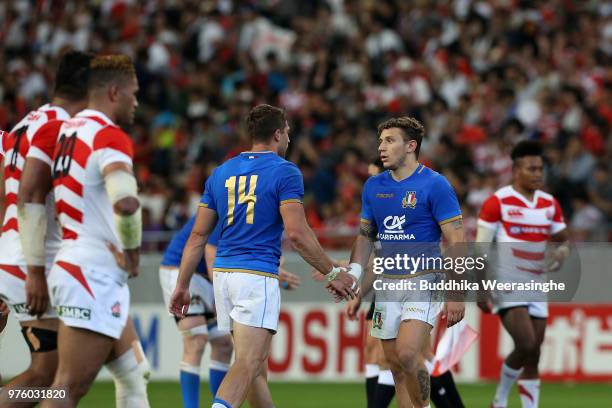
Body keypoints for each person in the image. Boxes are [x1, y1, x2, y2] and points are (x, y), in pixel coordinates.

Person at [169, 104, 358, 408]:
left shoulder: (221, 173)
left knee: (255, 370)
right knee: (247, 363)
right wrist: (334, 273)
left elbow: (197, 236)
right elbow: (297, 234)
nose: (289, 140)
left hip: (224, 278)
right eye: (288, 133)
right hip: (255, 278)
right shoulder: (285, 172)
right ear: (277, 134)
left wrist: (182, 285)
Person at [41, 54, 147, 408]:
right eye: (133, 93)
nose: (137, 102)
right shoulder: (108, 136)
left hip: (78, 263)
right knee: (66, 389)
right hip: (92, 271)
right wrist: (132, 254)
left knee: (133, 372)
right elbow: (126, 202)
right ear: (114, 92)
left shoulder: (69, 130)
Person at [346, 117, 465, 408]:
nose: (381, 147)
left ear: (411, 146)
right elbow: (365, 236)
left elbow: (458, 241)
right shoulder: (374, 186)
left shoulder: (435, 185)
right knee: (396, 367)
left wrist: (456, 293)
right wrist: (354, 275)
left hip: (425, 281)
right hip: (387, 285)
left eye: (390, 141)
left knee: (410, 354)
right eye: (381, 141)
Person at [477, 140, 569, 408]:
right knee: (526, 343)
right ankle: (500, 398)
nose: (538, 174)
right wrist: (482, 289)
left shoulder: (550, 204)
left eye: (540, 169)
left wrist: (560, 254)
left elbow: (563, 240)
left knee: (534, 352)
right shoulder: (498, 202)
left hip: (537, 283)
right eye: (532, 169)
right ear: (516, 170)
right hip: (508, 282)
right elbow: (481, 249)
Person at [160, 218, 233, 407]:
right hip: (182, 270)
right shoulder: (224, 204)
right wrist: (220, 296)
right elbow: (211, 251)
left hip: (206, 277)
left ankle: (219, 404)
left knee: (224, 344)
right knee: (196, 341)